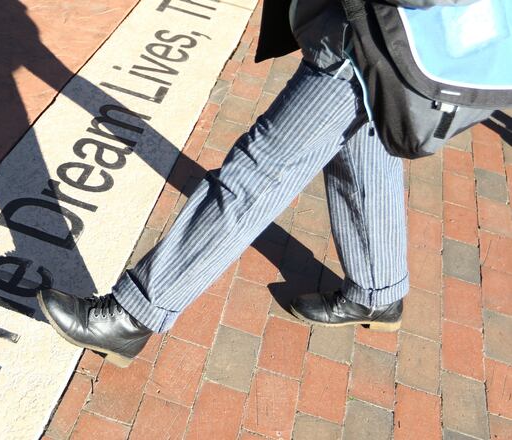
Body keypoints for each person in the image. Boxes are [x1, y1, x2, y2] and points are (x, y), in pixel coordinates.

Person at [36, 0, 476, 368]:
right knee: (361, 141)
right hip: (385, 35)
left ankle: (133, 316)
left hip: (371, 32)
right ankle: (378, 288)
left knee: (258, 170)